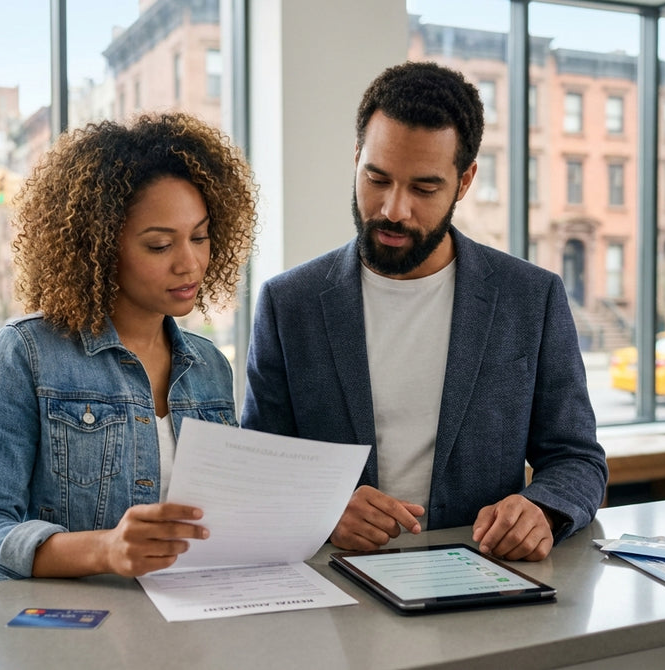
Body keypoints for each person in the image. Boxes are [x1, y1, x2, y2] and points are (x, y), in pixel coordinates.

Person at [240, 61, 607, 561]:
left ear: (465, 180)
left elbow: (577, 458)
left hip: (479, 580)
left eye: (424, 188)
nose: (394, 209)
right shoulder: (289, 304)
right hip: (335, 591)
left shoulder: (530, 299)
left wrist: (541, 508)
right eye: (377, 178)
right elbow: (260, 467)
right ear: (356, 159)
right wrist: (319, 508)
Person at [0, 113, 257, 582]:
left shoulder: (209, 365)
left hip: (192, 626)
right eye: (159, 246)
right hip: (79, 639)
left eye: (200, 237)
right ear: (100, 247)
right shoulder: (27, 353)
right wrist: (104, 550)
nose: (190, 263)